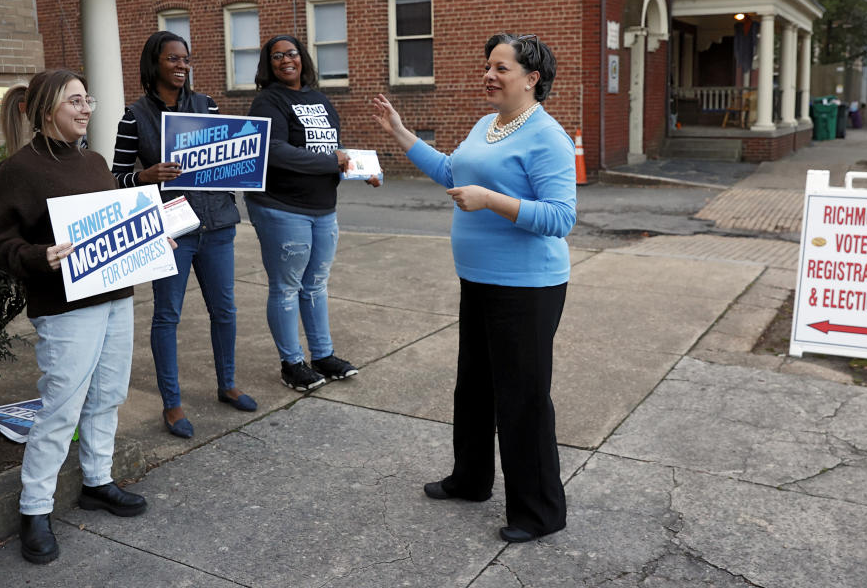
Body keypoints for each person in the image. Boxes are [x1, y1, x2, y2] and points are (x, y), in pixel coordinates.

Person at [372, 33, 576, 543]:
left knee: (523, 398)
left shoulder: (547, 136)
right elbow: (450, 171)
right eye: (488, 65)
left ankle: (538, 511)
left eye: (501, 68)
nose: (489, 74)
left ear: (532, 79)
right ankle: (471, 480)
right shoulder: (488, 124)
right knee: (476, 386)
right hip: (478, 279)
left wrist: (491, 199)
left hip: (527, 287)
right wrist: (400, 133)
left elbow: (560, 218)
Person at [0, 70, 148, 564]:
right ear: (45, 110)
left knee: (107, 397)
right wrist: (41, 257)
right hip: (65, 309)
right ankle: (35, 508)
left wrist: (149, 240)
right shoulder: (20, 170)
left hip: (116, 297)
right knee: (60, 409)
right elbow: (0, 245)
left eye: (87, 100)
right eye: (75, 101)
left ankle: (97, 482)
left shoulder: (96, 163)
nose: (86, 109)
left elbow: (116, 229)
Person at [113, 31, 255, 439]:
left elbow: (228, 155)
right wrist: (144, 176)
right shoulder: (133, 117)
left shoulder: (205, 105)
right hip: (173, 232)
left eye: (185, 60)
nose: (181, 66)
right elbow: (113, 177)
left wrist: (233, 181)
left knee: (225, 311)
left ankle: (227, 384)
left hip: (217, 226)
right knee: (167, 316)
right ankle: (172, 405)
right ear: (154, 63)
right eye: (173, 59)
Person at [246, 35, 378, 391]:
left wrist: (360, 169)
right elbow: (273, 151)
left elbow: (329, 150)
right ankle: (292, 363)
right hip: (281, 207)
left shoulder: (320, 99)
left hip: (323, 208)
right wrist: (328, 160)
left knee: (316, 285)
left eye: (291, 53)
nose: (285, 60)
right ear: (268, 64)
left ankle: (322, 355)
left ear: (302, 58)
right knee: (287, 287)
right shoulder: (268, 101)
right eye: (276, 56)